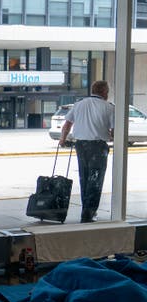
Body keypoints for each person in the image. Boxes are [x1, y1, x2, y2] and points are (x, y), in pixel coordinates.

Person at [59, 80, 114, 223]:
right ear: (104, 92)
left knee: (84, 178)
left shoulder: (79, 104)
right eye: (107, 91)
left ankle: (86, 210)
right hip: (98, 147)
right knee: (95, 180)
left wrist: (63, 140)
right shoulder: (108, 107)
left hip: (81, 146)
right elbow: (114, 131)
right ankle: (89, 214)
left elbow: (67, 124)